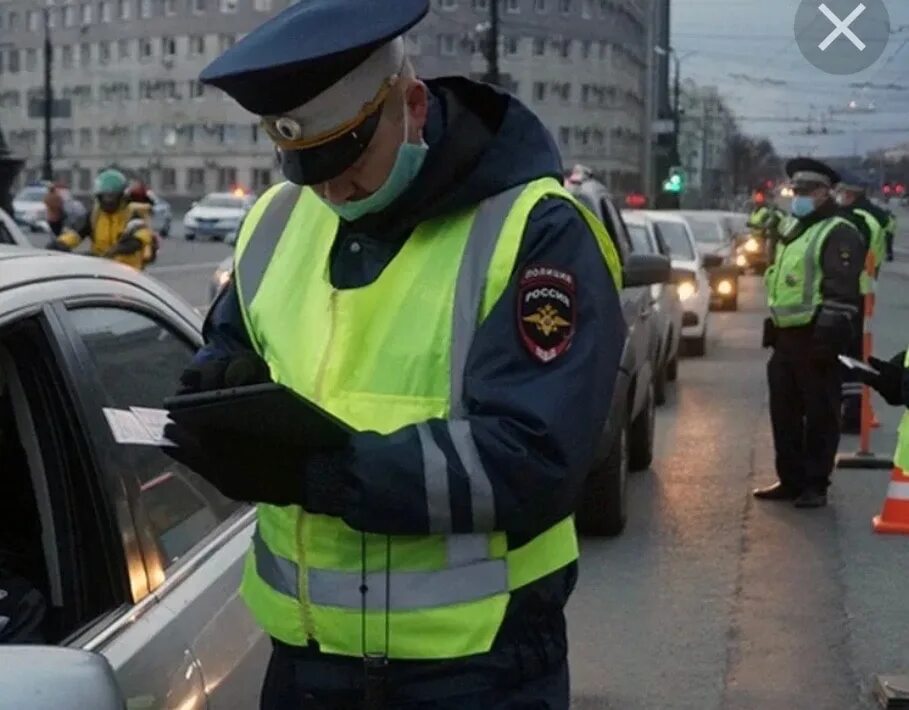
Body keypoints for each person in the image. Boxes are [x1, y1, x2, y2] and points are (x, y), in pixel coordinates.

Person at [161, 2, 625, 708]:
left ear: (411, 105)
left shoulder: (535, 230)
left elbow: (533, 456)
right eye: (305, 167)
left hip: (476, 669)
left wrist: (325, 475)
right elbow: (234, 339)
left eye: (348, 160)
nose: (330, 190)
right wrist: (220, 397)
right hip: (305, 658)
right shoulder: (280, 217)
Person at [754, 158, 866, 508]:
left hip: (817, 337)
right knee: (783, 413)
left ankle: (815, 484)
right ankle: (790, 479)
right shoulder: (795, 227)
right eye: (795, 190)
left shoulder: (838, 230)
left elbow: (842, 290)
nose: (799, 196)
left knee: (819, 413)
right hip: (787, 339)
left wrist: (826, 339)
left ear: (824, 193)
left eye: (807, 191)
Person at [47, 168, 155, 270]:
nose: (108, 201)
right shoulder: (95, 215)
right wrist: (61, 244)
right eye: (104, 197)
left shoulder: (132, 214)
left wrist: (119, 248)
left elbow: (140, 238)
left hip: (128, 271)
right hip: (101, 267)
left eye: (112, 196)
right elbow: (76, 233)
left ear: (121, 196)